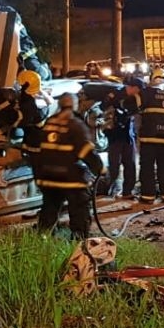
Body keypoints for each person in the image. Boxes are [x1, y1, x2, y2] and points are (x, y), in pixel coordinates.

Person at [34, 91, 104, 240]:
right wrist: (100, 168)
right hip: (70, 179)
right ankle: (79, 238)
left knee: (49, 208)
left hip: (48, 177)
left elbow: (39, 149)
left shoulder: (49, 122)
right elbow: (86, 151)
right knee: (80, 208)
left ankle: (43, 237)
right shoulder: (75, 125)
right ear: (75, 106)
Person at [130, 67, 164, 204]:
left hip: (149, 136)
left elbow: (133, 106)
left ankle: (148, 196)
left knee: (147, 166)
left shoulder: (148, 92)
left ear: (153, 78)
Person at [0, 0, 51, 80]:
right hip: (10, 51)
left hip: (24, 47)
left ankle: (45, 71)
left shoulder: (7, 12)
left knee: (35, 72)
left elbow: (6, 29)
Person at [101, 83, 137, 200]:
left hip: (128, 136)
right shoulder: (115, 94)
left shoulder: (134, 98)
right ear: (132, 87)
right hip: (115, 136)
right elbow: (104, 107)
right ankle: (112, 190)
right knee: (114, 166)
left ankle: (127, 191)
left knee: (130, 165)